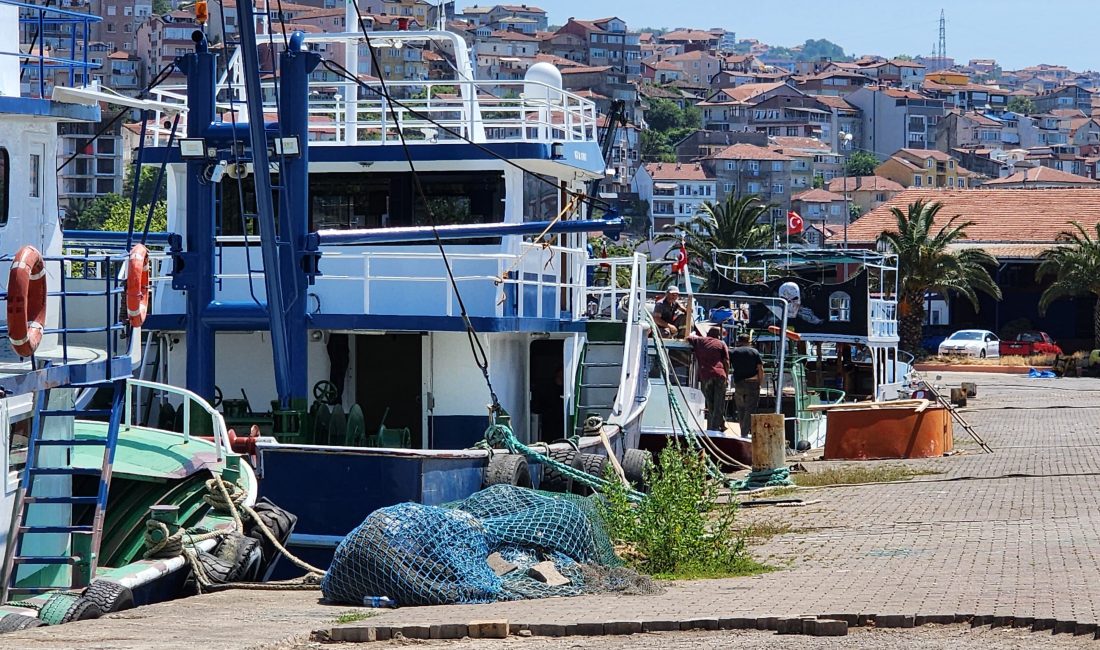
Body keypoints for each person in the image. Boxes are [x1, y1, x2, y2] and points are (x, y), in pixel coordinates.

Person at [687, 326, 730, 431]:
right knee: (719, 403)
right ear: (718, 335)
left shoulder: (700, 341)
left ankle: (714, 426)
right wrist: (727, 376)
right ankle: (716, 427)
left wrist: (694, 333)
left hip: (706, 375)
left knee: (710, 403)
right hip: (720, 375)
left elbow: (688, 337)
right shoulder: (721, 343)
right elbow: (726, 362)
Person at [730, 333, 765, 437]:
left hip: (739, 383)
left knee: (740, 408)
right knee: (750, 409)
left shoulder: (733, 352)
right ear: (748, 341)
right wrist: (760, 382)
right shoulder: (754, 352)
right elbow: (760, 369)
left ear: (739, 341)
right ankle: (744, 434)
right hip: (752, 383)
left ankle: (743, 431)